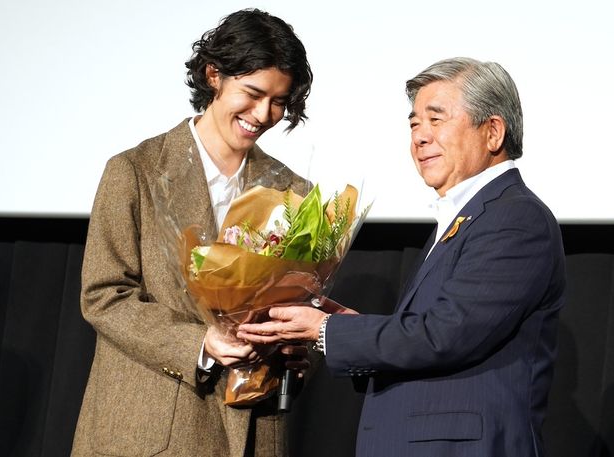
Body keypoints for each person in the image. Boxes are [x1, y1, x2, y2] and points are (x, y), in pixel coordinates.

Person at [237, 57, 566, 456]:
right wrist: (346, 325)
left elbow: (445, 336)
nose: (420, 138)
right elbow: (430, 332)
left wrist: (325, 330)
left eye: (436, 120)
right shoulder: (466, 216)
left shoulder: (515, 217)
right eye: (414, 124)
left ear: (493, 132)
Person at [72, 8, 313, 457]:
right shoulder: (135, 171)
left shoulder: (294, 191)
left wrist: (296, 352)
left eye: (279, 101)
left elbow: (297, 305)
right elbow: (104, 295)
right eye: (253, 93)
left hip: (252, 430)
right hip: (149, 430)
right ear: (213, 75)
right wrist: (201, 343)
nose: (263, 114)